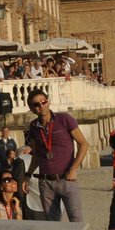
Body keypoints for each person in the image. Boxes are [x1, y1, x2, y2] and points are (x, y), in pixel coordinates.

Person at [25, 87, 89, 222]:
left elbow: (83, 144)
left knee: (76, 221)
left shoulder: (64, 119)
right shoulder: (33, 126)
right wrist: (28, 175)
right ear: (31, 108)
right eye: (36, 104)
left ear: (48, 102)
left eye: (43, 101)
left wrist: (74, 168)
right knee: (53, 224)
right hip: (45, 181)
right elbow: (36, 155)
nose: (41, 106)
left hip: (66, 179)